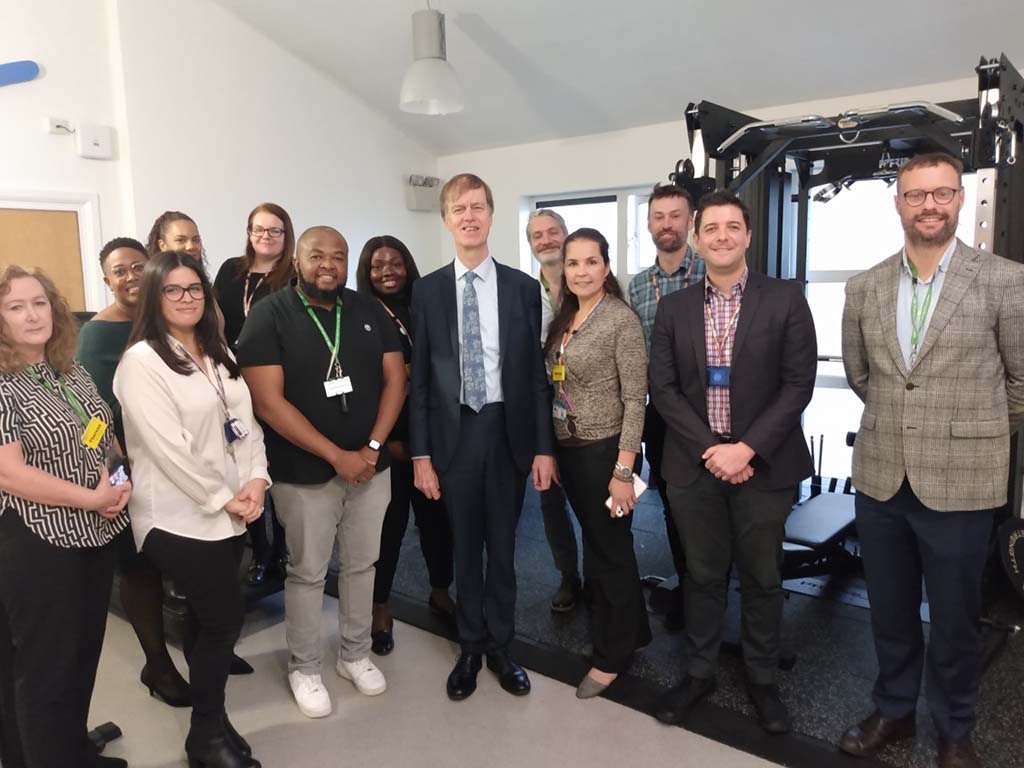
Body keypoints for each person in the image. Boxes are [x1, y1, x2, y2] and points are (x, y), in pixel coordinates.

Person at [839, 152, 1024, 768]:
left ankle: (954, 731)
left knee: (954, 620)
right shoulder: (864, 286)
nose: (928, 205)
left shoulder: (1004, 280)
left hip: (961, 482)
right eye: (915, 194)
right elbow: (862, 375)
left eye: (941, 194)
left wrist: (969, 434)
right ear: (897, 202)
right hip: (882, 476)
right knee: (890, 612)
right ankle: (893, 712)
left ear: (960, 200)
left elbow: (1020, 385)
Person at [649, 191, 816, 734]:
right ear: (697, 239)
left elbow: (797, 384)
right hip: (695, 465)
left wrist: (745, 449)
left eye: (732, 226)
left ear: (747, 236)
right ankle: (699, 671)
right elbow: (665, 389)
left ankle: (761, 675)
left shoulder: (785, 299)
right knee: (700, 575)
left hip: (763, 466)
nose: (721, 236)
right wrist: (712, 449)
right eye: (711, 228)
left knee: (763, 577)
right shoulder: (674, 308)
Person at [238, 226, 405, 719]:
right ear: (297, 259)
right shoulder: (270, 315)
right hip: (304, 472)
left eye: (338, 256)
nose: (327, 264)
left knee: (362, 565)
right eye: (316, 255)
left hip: (371, 468)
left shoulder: (368, 309)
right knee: (308, 571)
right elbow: (267, 402)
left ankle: (354, 654)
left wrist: (372, 448)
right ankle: (304, 666)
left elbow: (396, 378)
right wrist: (337, 455)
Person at [114, 251, 268, 768]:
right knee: (225, 619)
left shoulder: (217, 350)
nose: (187, 299)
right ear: (155, 299)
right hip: (174, 516)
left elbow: (245, 423)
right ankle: (204, 738)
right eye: (173, 290)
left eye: (195, 289)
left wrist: (256, 481)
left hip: (229, 509)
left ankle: (215, 718)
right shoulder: (142, 362)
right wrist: (225, 497)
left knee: (208, 620)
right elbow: (167, 448)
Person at [410, 173, 556, 701]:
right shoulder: (426, 292)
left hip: (508, 433)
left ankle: (502, 646)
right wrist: (421, 454)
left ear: (492, 215)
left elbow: (536, 378)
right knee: (465, 547)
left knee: (504, 547)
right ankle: (470, 646)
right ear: (446, 219)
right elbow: (420, 380)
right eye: (458, 209)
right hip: (453, 439)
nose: (469, 216)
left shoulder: (522, 288)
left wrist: (543, 447)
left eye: (478, 206)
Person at [0, 265, 131, 768]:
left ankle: (71, 748)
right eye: (16, 307)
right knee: (45, 669)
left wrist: (118, 482)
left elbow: (103, 429)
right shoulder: (5, 384)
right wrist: (90, 499)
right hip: (37, 543)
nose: (33, 315)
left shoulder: (68, 368)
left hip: (93, 533)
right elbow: (8, 473)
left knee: (79, 655)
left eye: (40, 303)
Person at [78, 237, 192, 708]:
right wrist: (120, 480)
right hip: (129, 471)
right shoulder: (96, 336)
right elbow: (92, 417)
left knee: (192, 559)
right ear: (106, 280)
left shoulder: (168, 320)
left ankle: (207, 649)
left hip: (181, 465)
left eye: (136, 266)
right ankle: (157, 665)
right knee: (139, 565)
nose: (128, 276)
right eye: (117, 270)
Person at [542, 228, 651, 698]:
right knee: (601, 549)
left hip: (608, 453)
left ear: (606, 267)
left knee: (610, 555)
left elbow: (636, 400)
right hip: (572, 449)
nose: (581, 271)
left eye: (591, 262)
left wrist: (624, 472)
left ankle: (613, 656)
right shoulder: (567, 316)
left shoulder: (620, 321)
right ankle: (631, 634)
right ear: (563, 271)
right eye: (573, 263)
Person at [355, 235, 455, 655]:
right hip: (386, 441)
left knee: (437, 521)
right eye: (378, 265)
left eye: (395, 263)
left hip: (429, 436)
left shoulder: (424, 306)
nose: (387, 272)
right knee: (389, 528)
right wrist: (385, 443)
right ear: (366, 271)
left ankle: (439, 589)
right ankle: (380, 606)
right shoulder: (358, 313)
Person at [626, 184, 705, 629]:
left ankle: (712, 591)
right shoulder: (638, 286)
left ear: (689, 220)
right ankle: (689, 587)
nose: (667, 224)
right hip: (661, 413)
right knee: (674, 503)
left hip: (710, 412)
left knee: (711, 506)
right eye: (659, 216)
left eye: (676, 216)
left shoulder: (709, 271)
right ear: (650, 223)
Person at [214, 203, 297, 586]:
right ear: (249, 233)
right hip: (232, 381)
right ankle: (259, 548)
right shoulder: (231, 271)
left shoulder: (294, 275)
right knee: (242, 466)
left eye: (274, 231)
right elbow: (212, 322)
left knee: (276, 468)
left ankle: (282, 548)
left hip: (278, 380)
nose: (265, 237)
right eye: (258, 230)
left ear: (286, 235)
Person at [527, 209, 582, 613]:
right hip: (546, 412)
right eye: (537, 236)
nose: (546, 240)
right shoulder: (525, 294)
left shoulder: (592, 285)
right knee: (551, 502)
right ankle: (569, 577)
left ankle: (603, 580)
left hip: (595, 416)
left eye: (552, 232)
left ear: (565, 235)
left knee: (601, 506)